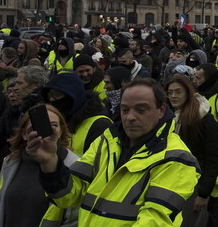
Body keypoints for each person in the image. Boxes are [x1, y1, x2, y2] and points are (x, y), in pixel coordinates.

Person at [27, 78, 201, 226]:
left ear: (161, 110)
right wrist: (49, 162)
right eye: (125, 110)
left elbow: (154, 221)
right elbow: (68, 196)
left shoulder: (177, 158)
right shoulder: (107, 140)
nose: (130, 117)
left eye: (141, 110)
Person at [0, 105, 78, 226]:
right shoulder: (10, 162)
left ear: (61, 131)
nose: (47, 131)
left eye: (54, 125)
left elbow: (74, 219)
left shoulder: (75, 165)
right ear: (24, 134)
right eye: (35, 128)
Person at [166, 76, 218, 226]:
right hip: (172, 182)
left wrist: (203, 194)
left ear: (188, 93)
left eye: (178, 92)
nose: (173, 96)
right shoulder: (171, 117)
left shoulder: (204, 119)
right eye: (170, 92)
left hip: (195, 185)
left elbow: (213, 158)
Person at [41, 73, 112, 155]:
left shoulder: (99, 125)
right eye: (49, 95)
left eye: (57, 95)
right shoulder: (56, 121)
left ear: (73, 97)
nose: (52, 100)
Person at [194, 63, 218, 129]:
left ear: (208, 80)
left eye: (198, 78)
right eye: (195, 77)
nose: (194, 81)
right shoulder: (198, 94)